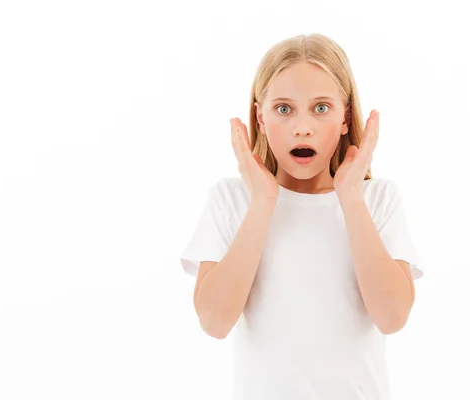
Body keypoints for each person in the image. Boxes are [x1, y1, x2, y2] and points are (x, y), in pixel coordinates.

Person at [179, 33, 424, 400]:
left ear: (345, 117)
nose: (303, 126)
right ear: (260, 118)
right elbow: (214, 322)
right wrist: (263, 201)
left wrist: (350, 197)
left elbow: (392, 317)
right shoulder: (232, 200)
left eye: (321, 108)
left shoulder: (377, 200)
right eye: (284, 109)